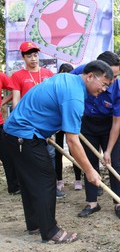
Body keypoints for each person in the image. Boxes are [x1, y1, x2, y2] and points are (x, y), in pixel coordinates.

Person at [2, 60, 109, 244]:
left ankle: (35, 224)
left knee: (31, 183)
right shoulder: (74, 96)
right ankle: (51, 231)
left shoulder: (68, 79)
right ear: (90, 76)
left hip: (15, 134)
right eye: (104, 84)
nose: (104, 89)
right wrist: (90, 171)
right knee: (45, 180)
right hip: (24, 135)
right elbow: (73, 142)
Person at [71, 51, 120, 219]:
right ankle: (92, 203)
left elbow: (117, 122)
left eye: (116, 75)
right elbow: (67, 86)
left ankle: (119, 202)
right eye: (110, 76)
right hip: (87, 122)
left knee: (114, 163)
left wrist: (109, 150)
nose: (113, 80)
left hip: (109, 125)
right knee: (89, 162)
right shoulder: (83, 72)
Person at [10, 41, 63, 197]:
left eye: (35, 55)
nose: (33, 59)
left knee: (51, 154)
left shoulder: (48, 74)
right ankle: (34, 188)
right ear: (23, 57)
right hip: (27, 124)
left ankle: (52, 188)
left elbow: (54, 99)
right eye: (29, 56)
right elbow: (16, 101)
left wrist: (53, 127)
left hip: (46, 123)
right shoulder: (17, 76)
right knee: (31, 155)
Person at [54, 63, 79, 192]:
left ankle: (78, 179)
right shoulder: (55, 85)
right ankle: (59, 179)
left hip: (69, 122)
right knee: (57, 152)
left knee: (73, 150)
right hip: (57, 124)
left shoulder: (73, 87)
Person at [0, 71, 19, 195]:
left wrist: (3, 102)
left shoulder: (1, 76)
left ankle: (13, 186)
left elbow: (15, 89)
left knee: (7, 155)